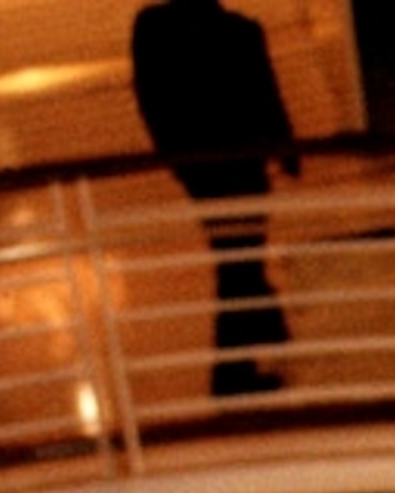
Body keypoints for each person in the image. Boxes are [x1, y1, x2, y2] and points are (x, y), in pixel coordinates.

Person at [130, 0, 302, 398]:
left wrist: (176, 156)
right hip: (236, 164)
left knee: (237, 259)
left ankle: (257, 338)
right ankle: (235, 370)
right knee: (238, 262)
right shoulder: (239, 32)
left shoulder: (156, 28)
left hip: (210, 167)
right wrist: (286, 148)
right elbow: (265, 95)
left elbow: (151, 97)